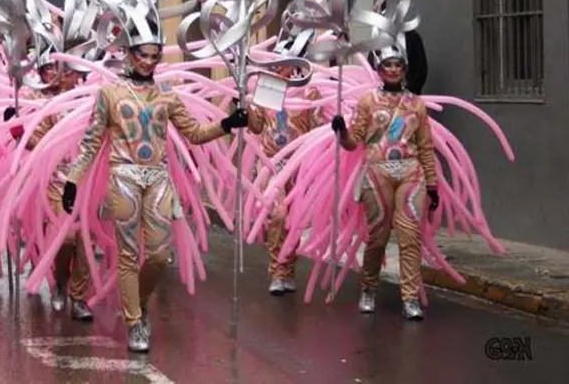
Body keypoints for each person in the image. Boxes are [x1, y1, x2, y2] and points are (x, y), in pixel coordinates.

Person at [61, 18, 250, 353]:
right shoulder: (110, 93)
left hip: (159, 178)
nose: (148, 61)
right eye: (142, 54)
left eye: (154, 55)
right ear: (129, 54)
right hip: (123, 178)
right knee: (129, 255)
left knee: (161, 256)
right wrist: (73, 181)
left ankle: (138, 301)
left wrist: (227, 123)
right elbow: (91, 143)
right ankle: (134, 321)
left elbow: (193, 133)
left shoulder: (167, 93)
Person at [330, 41, 438, 321]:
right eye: (387, 65)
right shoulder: (367, 102)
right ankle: (368, 289)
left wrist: (432, 183)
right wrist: (341, 131)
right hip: (377, 173)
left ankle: (410, 298)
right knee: (377, 237)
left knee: (409, 236)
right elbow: (353, 143)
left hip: (411, 174)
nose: (392, 69)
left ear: (404, 70)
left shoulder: (417, 104)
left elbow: (425, 146)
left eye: (397, 65)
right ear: (379, 70)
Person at [7, 54, 94, 321]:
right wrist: (19, 132)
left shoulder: (93, 101)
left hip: (90, 180)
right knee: (65, 238)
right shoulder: (50, 105)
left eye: (68, 70)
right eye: (57, 70)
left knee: (86, 243)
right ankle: (60, 282)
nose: (62, 74)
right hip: (58, 179)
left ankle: (79, 298)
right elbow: (38, 143)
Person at [245, 34, 325, 296]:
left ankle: (288, 269)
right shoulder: (266, 88)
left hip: (299, 164)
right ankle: (278, 270)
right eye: (276, 62)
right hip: (271, 163)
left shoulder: (308, 90)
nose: (280, 67)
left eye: (285, 62)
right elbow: (256, 127)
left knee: (293, 220)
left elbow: (318, 127)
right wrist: (246, 109)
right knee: (277, 215)